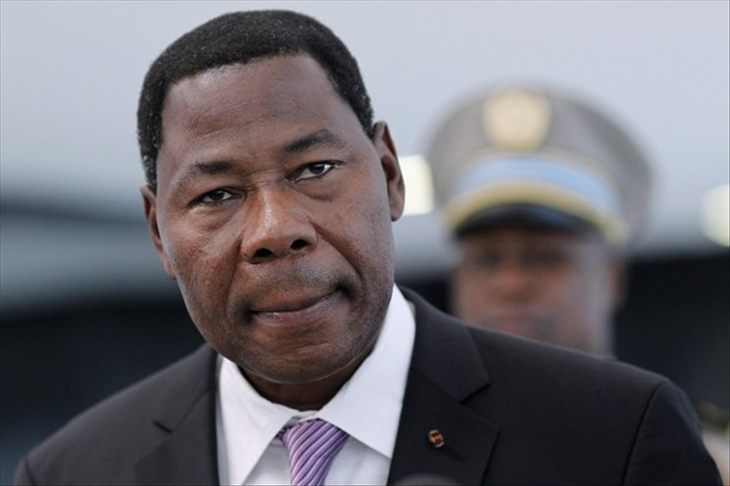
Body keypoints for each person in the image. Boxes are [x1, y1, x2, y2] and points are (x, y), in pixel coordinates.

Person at [14, 10, 721, 486]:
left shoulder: (615, 436)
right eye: (217, 194)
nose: (275, 230)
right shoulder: (74, 473)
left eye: (315, 169)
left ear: (388, 175)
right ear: (157, 233)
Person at [424, 82, 729, 483]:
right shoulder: (404, 457)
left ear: (612, 277)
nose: (510, 284)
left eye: (545, 257)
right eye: (487, 260)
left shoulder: (698, 463)